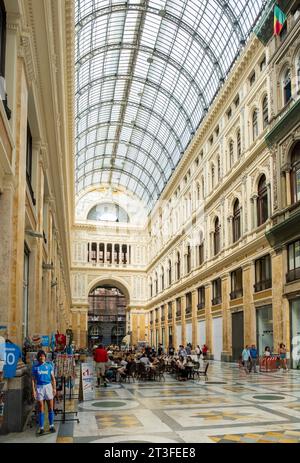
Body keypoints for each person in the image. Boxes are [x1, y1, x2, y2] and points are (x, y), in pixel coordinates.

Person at [31, 350, 56, 435]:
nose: (42, 358)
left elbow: (53, 378)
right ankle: (41, 427)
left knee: (50, 407)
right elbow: (33, 380)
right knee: (41, 407)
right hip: (39, 388)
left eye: (43, 356)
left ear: (45, 357)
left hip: (48, 387)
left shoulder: (49, 366)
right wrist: (33, 390)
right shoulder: (35, 367)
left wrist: (54, 388)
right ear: (38, 358)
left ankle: (51, 426)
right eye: (40, 356)